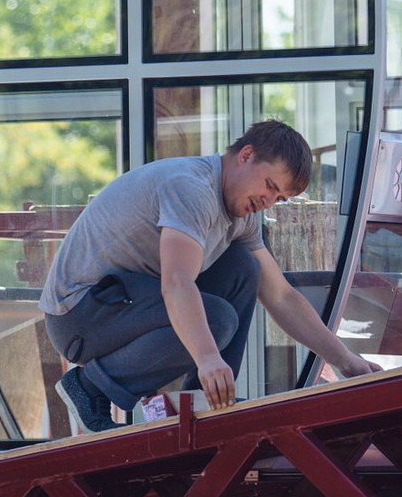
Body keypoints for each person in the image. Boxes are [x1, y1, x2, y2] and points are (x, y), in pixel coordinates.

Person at [40, 119, 377, 433]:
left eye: (279, 199)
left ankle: (206, 400)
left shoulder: (241, 218)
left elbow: (281, 296)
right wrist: (208, 358)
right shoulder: (192, 189)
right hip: (78, 316)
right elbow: (177, 283)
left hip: (122, 303)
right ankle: (89, 387)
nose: (268, 202)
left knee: (244, 266)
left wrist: (346, 361)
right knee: (217, 321)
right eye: (269, 186)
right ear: (245, 155)